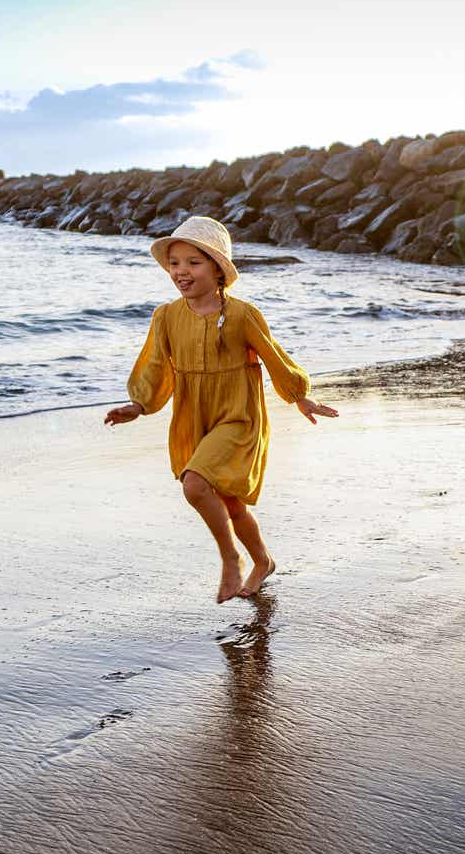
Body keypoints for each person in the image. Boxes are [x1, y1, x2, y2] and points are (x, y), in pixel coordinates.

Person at [104, 216, 339, 604]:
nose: (181, 272)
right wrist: (139, 405)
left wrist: (299, 395)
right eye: (175, 263)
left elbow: (274, 355)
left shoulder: (242, 315)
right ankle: (263, 561)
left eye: (193, 263)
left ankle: (230, 558)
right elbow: (155, 366)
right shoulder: (166, 316)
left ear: (217, 269)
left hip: (238, 415)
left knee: (195, 484)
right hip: (193, 415)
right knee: (231, 503)